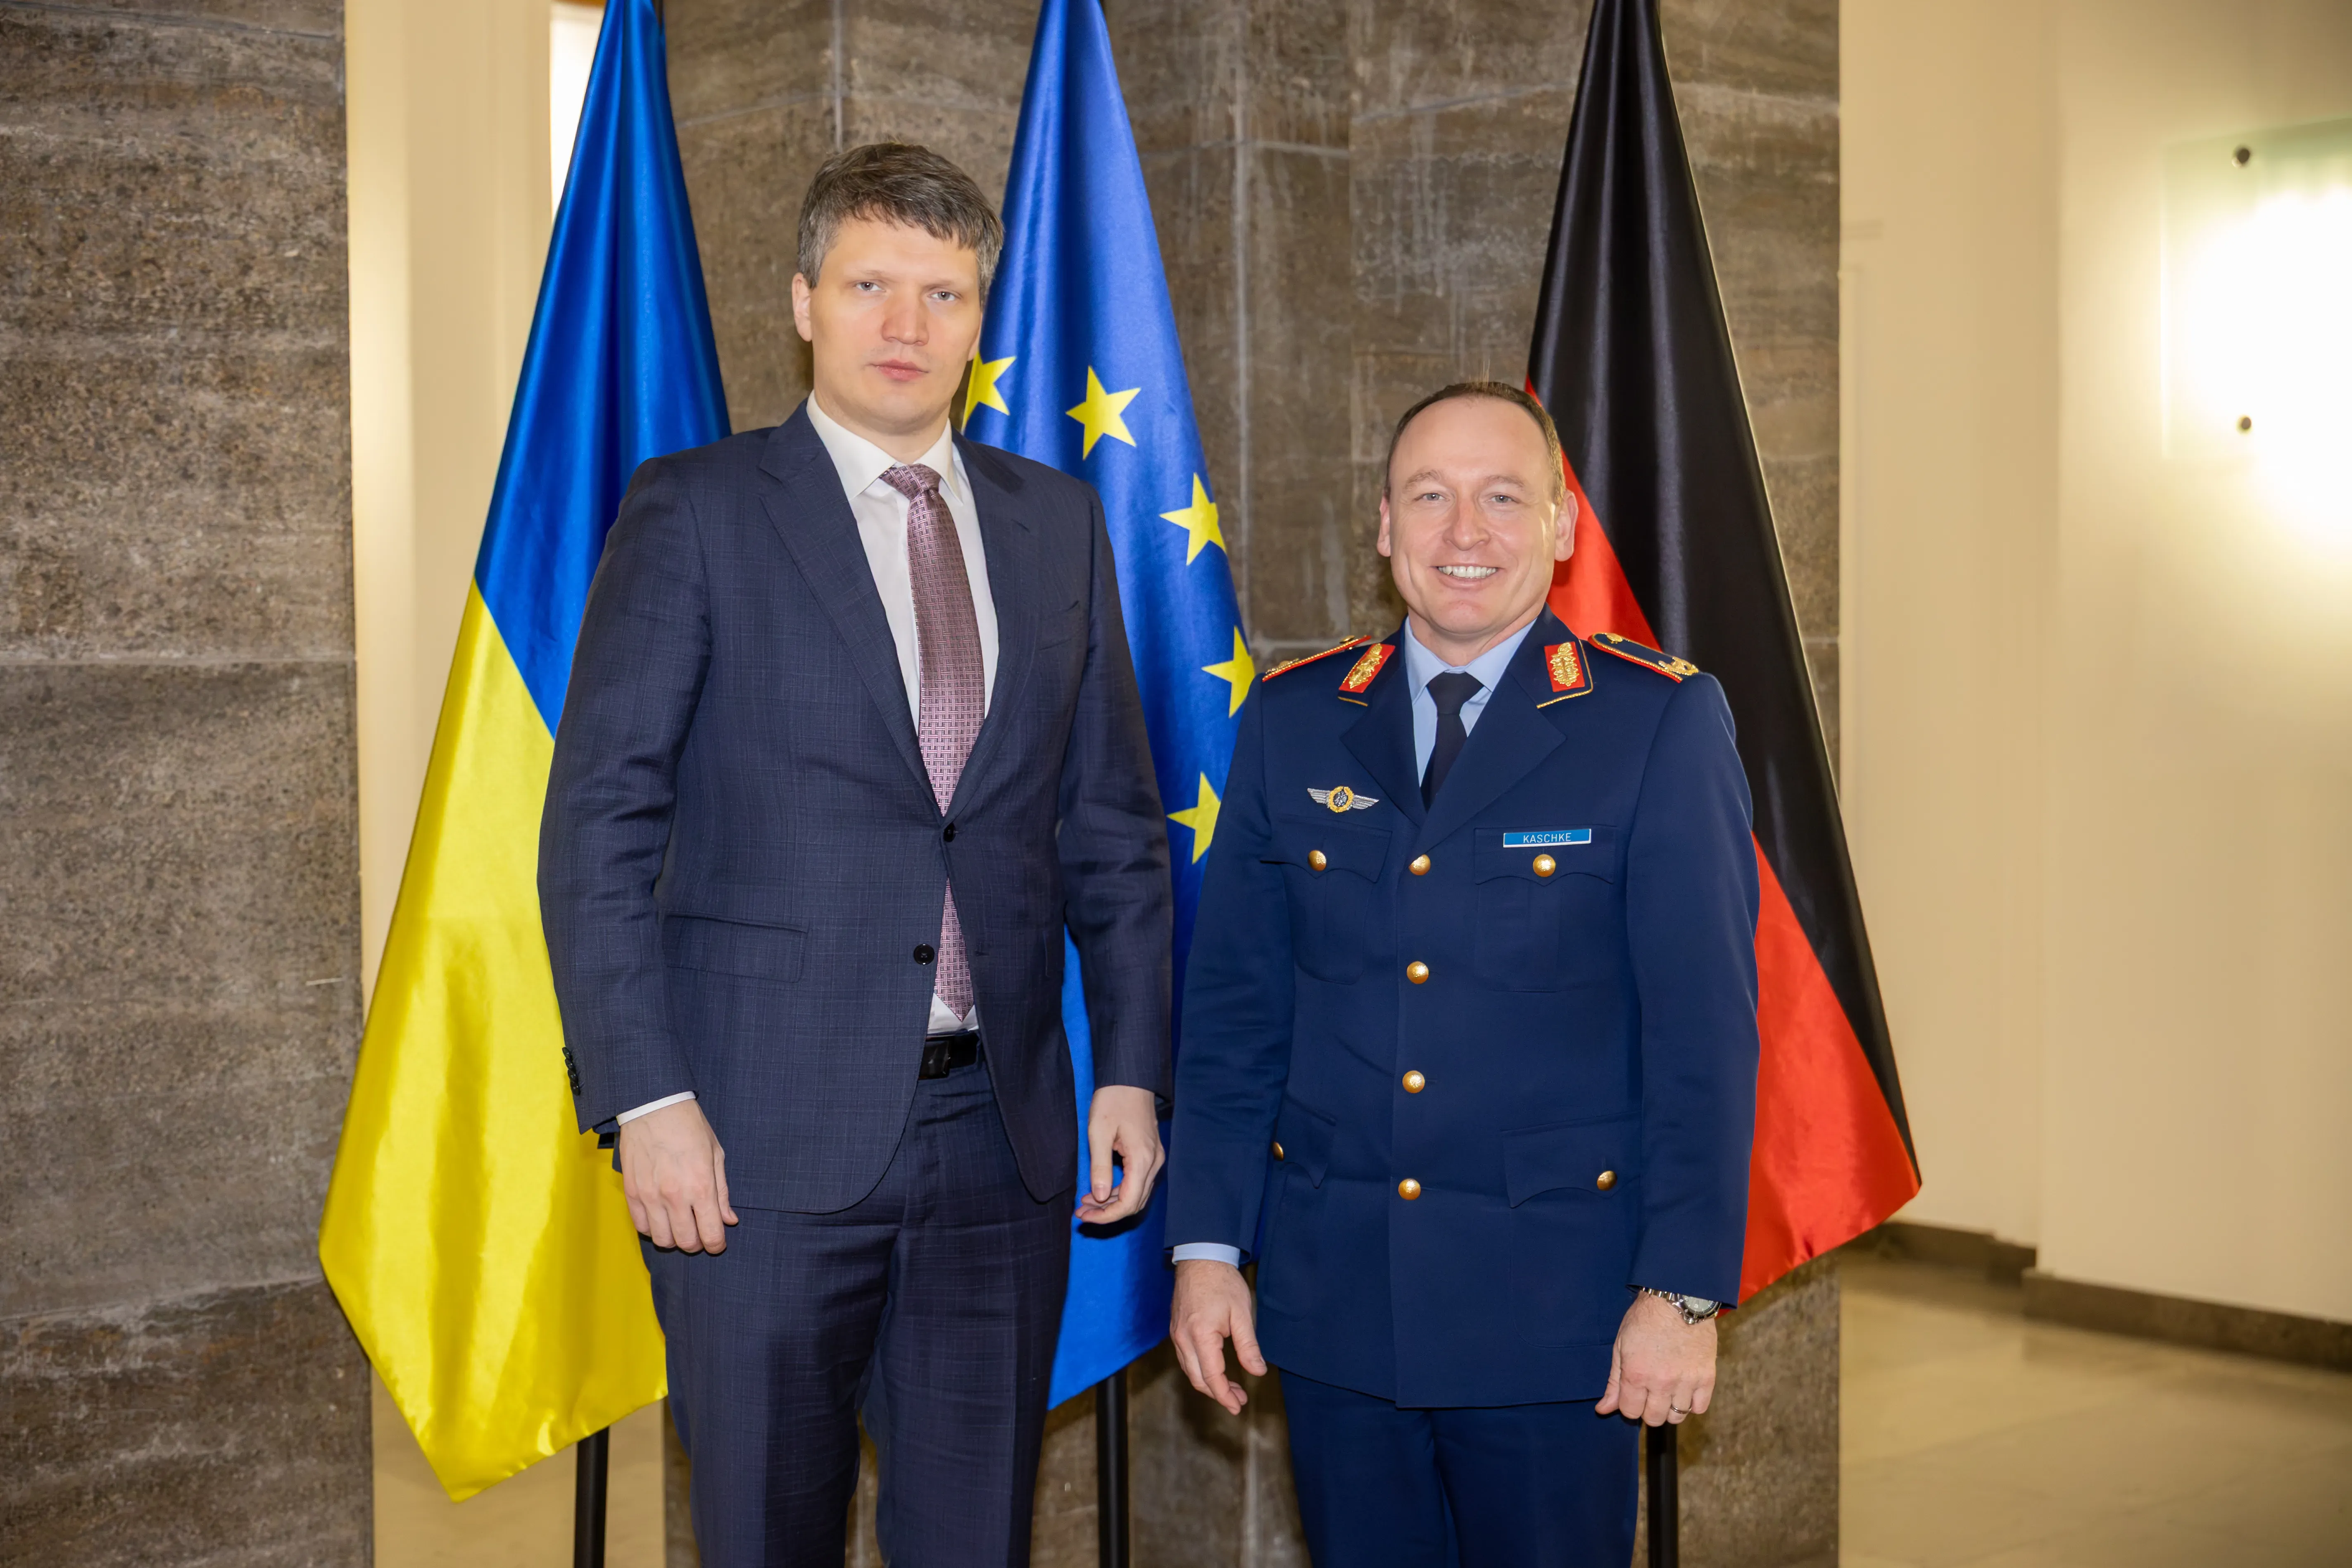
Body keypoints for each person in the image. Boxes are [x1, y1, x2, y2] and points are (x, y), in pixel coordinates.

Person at [540, 143, 1173, 1568]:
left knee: (975, 1541)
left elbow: (1113, 828)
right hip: (751, 1145)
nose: (905, 325)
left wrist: (1132, 1068)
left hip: (1001, 1143)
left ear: (979, 318)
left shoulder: (1055, 521)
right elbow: (597, 825)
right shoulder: (697, 508)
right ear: (802, 303)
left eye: (943, 294)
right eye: (869, 285)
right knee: (767, 1534)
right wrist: (647, 1098)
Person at [1163, 381, 1759, 1566]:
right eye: (1430, 497)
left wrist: (1681, 1294)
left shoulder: (1655, 722)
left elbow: (1705, 1041)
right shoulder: (1295, 716)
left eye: (1503, 498)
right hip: (1335, 1309)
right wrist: (1208, 1251)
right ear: (1384, 526)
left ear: (1560, 525)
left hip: (1558, 1321)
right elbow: (1237, 1015)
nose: (1464, 532)